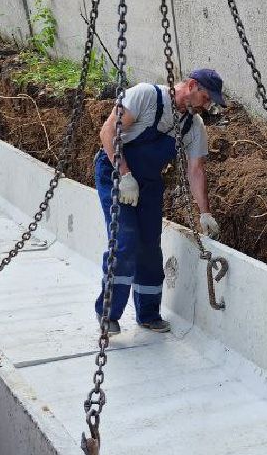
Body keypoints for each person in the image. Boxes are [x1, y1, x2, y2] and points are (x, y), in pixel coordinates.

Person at [93, 69, 223, 334]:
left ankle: (149, 314)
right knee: (125, 240)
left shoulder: (193, 126)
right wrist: (124, 175)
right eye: (206, 98)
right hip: (115, 173)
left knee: (150, 248)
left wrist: (204, 213)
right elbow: (108, 132)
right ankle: (108, 313)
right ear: (192, 85)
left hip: (149, 183)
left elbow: (196, 170)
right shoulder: (145, 96)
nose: (207, 105)